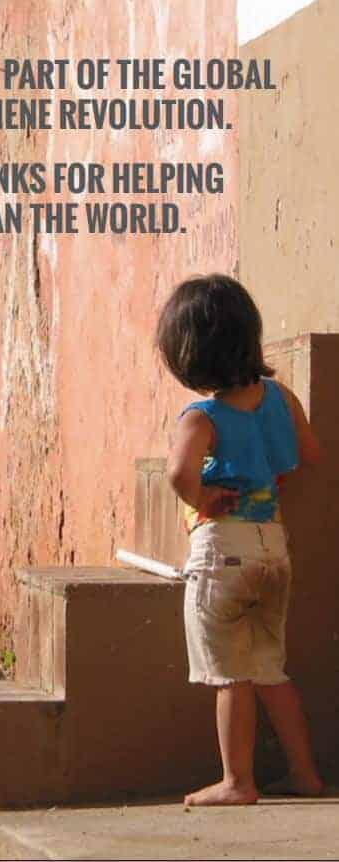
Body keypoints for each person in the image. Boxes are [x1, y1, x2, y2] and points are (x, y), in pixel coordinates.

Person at [155, 273, 324, 807]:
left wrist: (203, 496)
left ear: (187, 355)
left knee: (229, 672)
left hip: (222, 551)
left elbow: (179, 475)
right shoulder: (280, 397)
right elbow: (309, 454)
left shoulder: (201, 416)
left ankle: (237, 781)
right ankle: (306, 774)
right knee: (270, 668)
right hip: (273, 545)